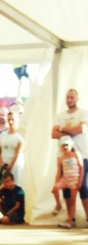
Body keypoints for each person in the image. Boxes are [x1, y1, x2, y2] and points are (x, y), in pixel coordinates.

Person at [51, 89, 88, 225]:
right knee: (66, 188)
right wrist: (72, 131)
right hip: (63, 157)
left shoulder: (83, 113)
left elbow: (82, 129)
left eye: (72, 97)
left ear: (77, 98)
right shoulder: (60, 116)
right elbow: (53, 134)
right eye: (67, 97)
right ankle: (70, 218)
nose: (69, 100)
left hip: (81, 155)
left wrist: (62, 129)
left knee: (82, 186)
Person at [52, 136, 84, 229]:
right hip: (65, 179)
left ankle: (70, 220)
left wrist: (80, 181)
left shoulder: (76, 155)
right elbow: (59, 172)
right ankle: (58, 205)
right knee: (55, 189)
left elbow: (81, 168)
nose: (65, 147)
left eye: (66, 145)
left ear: (71, 145)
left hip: (74, 180)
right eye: (63, 145)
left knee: (72, 201)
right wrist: (56, 182)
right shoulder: (61, 158)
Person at [0, 112, 25, 186]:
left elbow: (17, 153)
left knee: (14, 185)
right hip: (4, 165)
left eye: (12, 120)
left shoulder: (19, 137)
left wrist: (10, 166)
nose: (10, 122)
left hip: (15, 166)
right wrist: (1, 164)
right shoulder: (2, 135)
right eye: (9, 119)